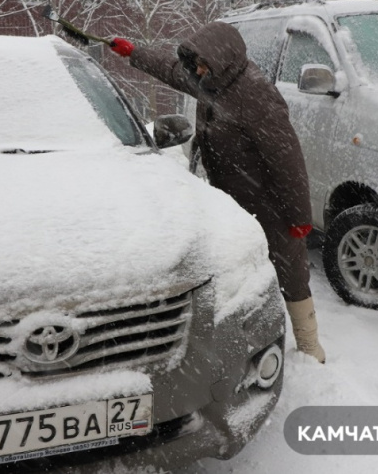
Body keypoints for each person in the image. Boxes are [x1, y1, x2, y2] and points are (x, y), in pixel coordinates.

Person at [109, 22, 326, 363]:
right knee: (242, 268)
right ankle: (248, 333)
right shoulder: (210, 81)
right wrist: (133, 52)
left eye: (202, 64)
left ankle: (310, 344)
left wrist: (298, 217)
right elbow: (171, 69)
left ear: (222, 60)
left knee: (290, 271)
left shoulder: (256, 95)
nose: (196, 71)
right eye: (195, 64)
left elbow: (287, 158)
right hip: (231, 198)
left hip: (269, 200)